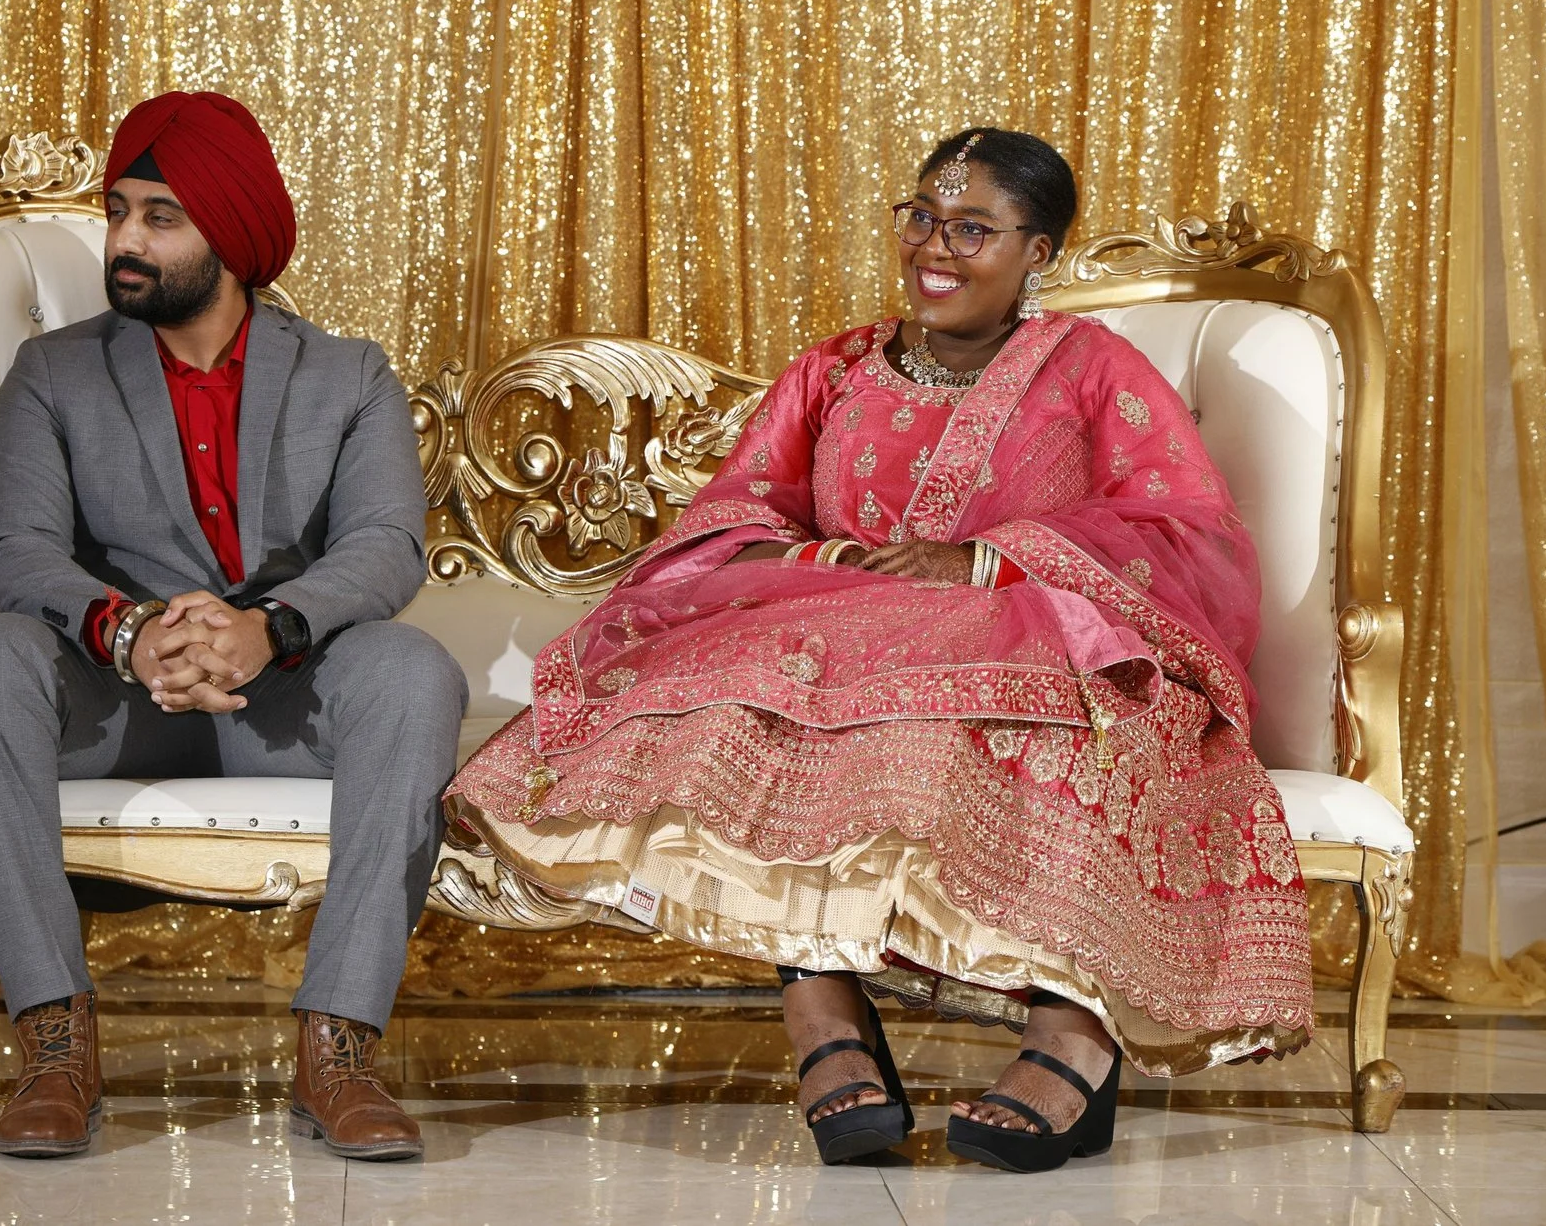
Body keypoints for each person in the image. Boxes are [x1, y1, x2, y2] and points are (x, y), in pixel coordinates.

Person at [447, 128, 1311, 1172]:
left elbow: (1187, 530)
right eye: (919, 217)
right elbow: (732, 515)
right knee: (743, 698)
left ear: (1038, 252)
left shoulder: (1095, 371)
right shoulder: (834, 368)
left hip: (1041, 637)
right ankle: (823, 1012)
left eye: (971, 229)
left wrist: (986, 559)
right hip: (838, 630)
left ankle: (1070, 1033)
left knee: (1048, 719)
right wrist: (840, 556)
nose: (933, 249)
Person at [0, 91, 466, 1161]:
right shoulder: (57, 371)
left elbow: (383, 547)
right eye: (119, 209)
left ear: (229, 232)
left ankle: (338, 1045)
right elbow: (14, 551)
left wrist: (271, 625)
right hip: (115, 690)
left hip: (284, 691)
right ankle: (53, 1041)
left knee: (413, 672)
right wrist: (128, 631)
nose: (123, 240)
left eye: (158, 217)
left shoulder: (346, 373)